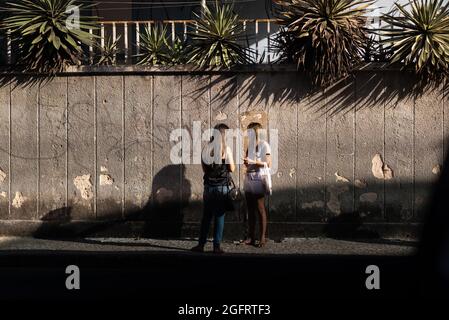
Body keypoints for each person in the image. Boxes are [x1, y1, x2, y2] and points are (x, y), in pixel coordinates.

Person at [191, 124, 236, 254]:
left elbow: (205, 170)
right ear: (223, 135)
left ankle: (201, 245)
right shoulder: (226, 150)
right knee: (219, 217)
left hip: (209, 187)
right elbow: (232, 168)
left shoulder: (206, 149)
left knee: (206, 217)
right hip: (222, 187)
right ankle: (216, 246)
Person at [243, 122, 272, 248]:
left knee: (260, 208)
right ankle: (251, 237)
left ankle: (262, 237)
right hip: (249, 177)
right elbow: (249, 163)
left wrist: (252, 161)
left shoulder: (264, 145)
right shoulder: (250, 146)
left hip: (259, 178)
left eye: (249, 131)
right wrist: (246, 163)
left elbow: (268, 163)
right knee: (250, 209)